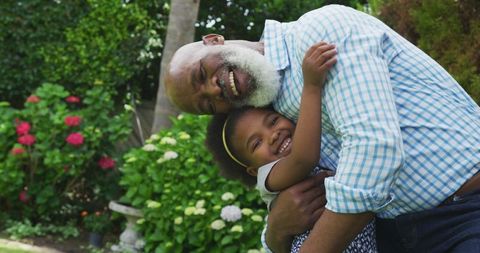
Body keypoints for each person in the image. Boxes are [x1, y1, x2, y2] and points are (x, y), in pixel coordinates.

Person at [165, 4, 480, 253]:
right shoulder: (265, 112)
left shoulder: (317, 32)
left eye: (200, 74)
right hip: (396, 235)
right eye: (207, 105)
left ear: (213, 40)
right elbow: (290, 195)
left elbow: (374, 150)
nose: (214, 90)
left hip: (467, 211)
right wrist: (275, 233)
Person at [205, 43, 375, 252]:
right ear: (253, 170)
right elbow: (303, 159)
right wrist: (312, 86)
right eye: (256, 143)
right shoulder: (268, 178)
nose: (273, 135)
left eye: (273, 121)